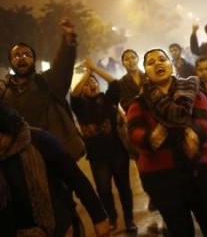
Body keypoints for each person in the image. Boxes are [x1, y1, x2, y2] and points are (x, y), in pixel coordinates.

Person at [126, 48, 207, 237]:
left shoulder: (193, 91)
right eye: (151, 62)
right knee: (180, 230)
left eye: (162, 59)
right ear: (146, 71)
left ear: (171, 66)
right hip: (161, 178)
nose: (158, 64)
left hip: (198, 171)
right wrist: (150, 138)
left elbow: (204, 120)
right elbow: (134, 133)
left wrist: (195, 133)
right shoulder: (139, 103)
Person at [0, 102, 110, 237]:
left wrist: (99, 217)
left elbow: (76, 179)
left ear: (9, 127)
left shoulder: (39, 141)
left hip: (61, 229)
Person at [0, 19, 85, 160]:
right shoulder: (4, 93)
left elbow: (63, 65)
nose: (22, 57)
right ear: (11, 63)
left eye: (27, 54)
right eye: (16, 55)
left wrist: (68, 39)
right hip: (23, 158)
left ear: (34, 60)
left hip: (55, 155)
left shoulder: (47, 81)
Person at [70, 59, 137, 233]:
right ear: (83, 87)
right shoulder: (79, 105)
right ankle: (112, 218)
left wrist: (94, 69)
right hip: (97, 157)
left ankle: (129, 219)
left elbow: (113, 82)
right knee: (104, 190)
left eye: (94, 82)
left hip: (117, 152)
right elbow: (75, 94)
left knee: (123, 186)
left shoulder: (107, 99)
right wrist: (86, 75)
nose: (91, 84)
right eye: (87, 83)